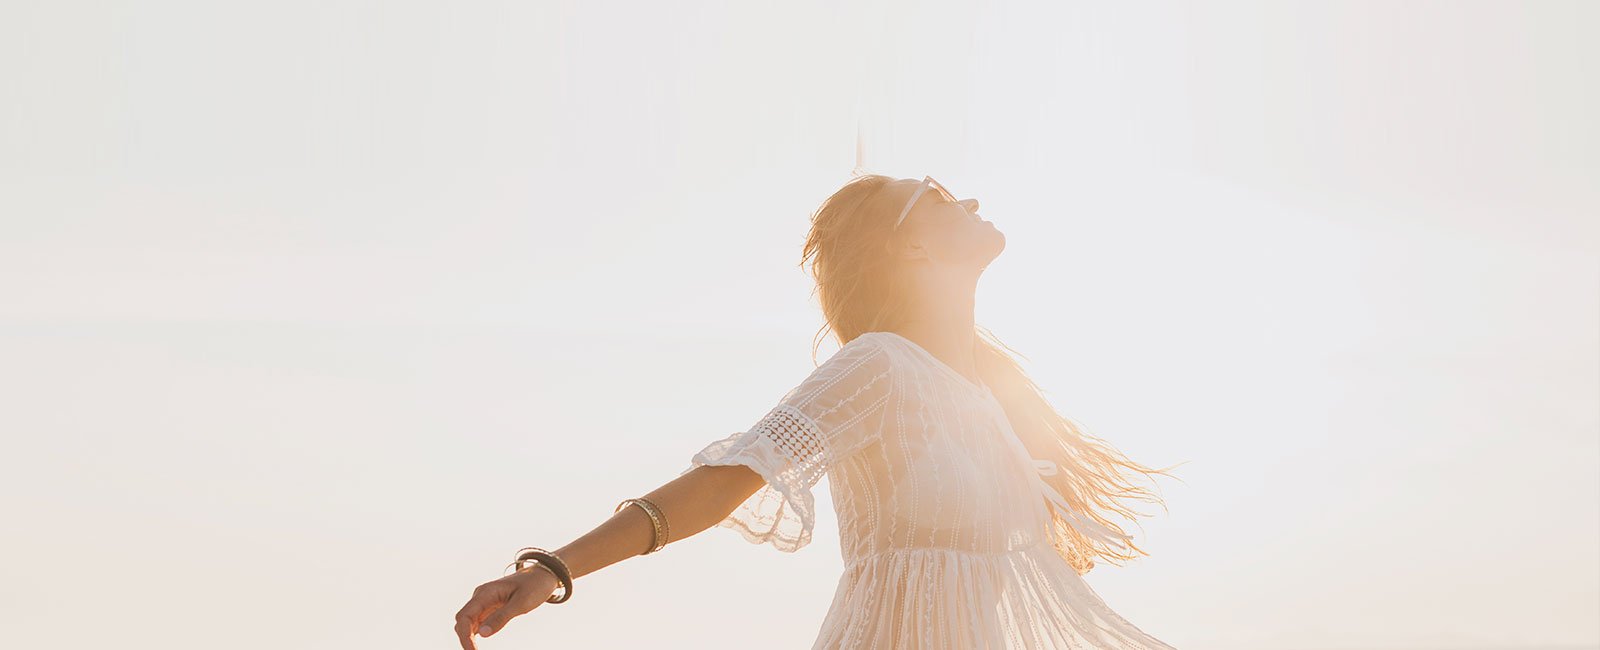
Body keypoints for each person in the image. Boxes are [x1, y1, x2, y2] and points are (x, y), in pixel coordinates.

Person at [453, 174, 1181, 649]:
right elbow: (725, 482)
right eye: (936, 195)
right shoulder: (879, 367)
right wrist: (552, 568)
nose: (971, 201)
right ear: (915, 250)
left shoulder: (986, 399)